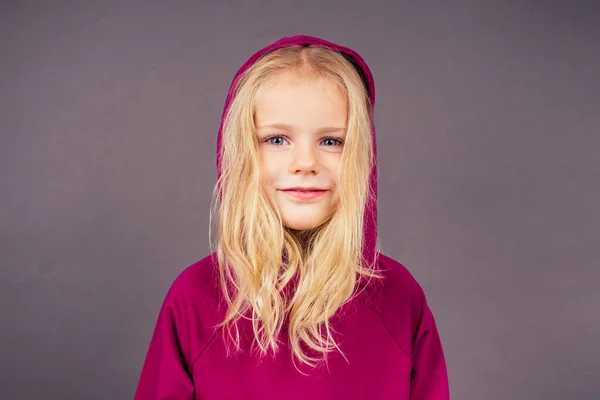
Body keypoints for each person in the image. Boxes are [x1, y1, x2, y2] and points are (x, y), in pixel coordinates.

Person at [134, 34, 450, 399]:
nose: (305, 163)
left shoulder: (398, 297)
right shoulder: (194, 298)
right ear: (240, 152)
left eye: (332, 141)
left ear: (364, 156)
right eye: (277, 139)